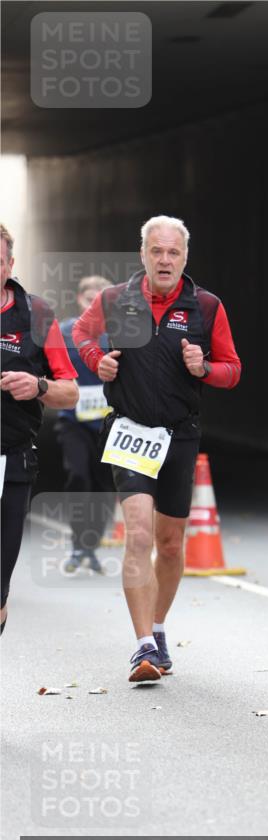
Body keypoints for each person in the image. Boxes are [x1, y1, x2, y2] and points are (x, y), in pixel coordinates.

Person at [73, 215, 241, 684]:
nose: (164, 259)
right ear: (142, 253)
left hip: (180, 434)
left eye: (173, 252)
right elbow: (81, 335)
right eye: (156, 251)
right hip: (128, 431)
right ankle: (143, 644)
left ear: (185, 258)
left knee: (169, 545)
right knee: (140, 535)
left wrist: (204, 366)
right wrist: (97, 361)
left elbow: (233, 370)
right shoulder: (114, 299)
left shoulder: (206, 305)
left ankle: (160, 627)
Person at [0, 224, 79, 634]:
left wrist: (38, 386)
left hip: (11, 459)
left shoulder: (36, 314)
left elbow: (70, 393)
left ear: (10, 265)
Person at [55, 275, 115, 574]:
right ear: (79, 300)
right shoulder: (65, 333)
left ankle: (90, 547)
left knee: (105, 486)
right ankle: (78, 544)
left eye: (101, 296)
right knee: (78, 477)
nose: (94, 301)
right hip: (74, 422)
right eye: (89, 296)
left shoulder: (120, 335)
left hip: (110, 426)